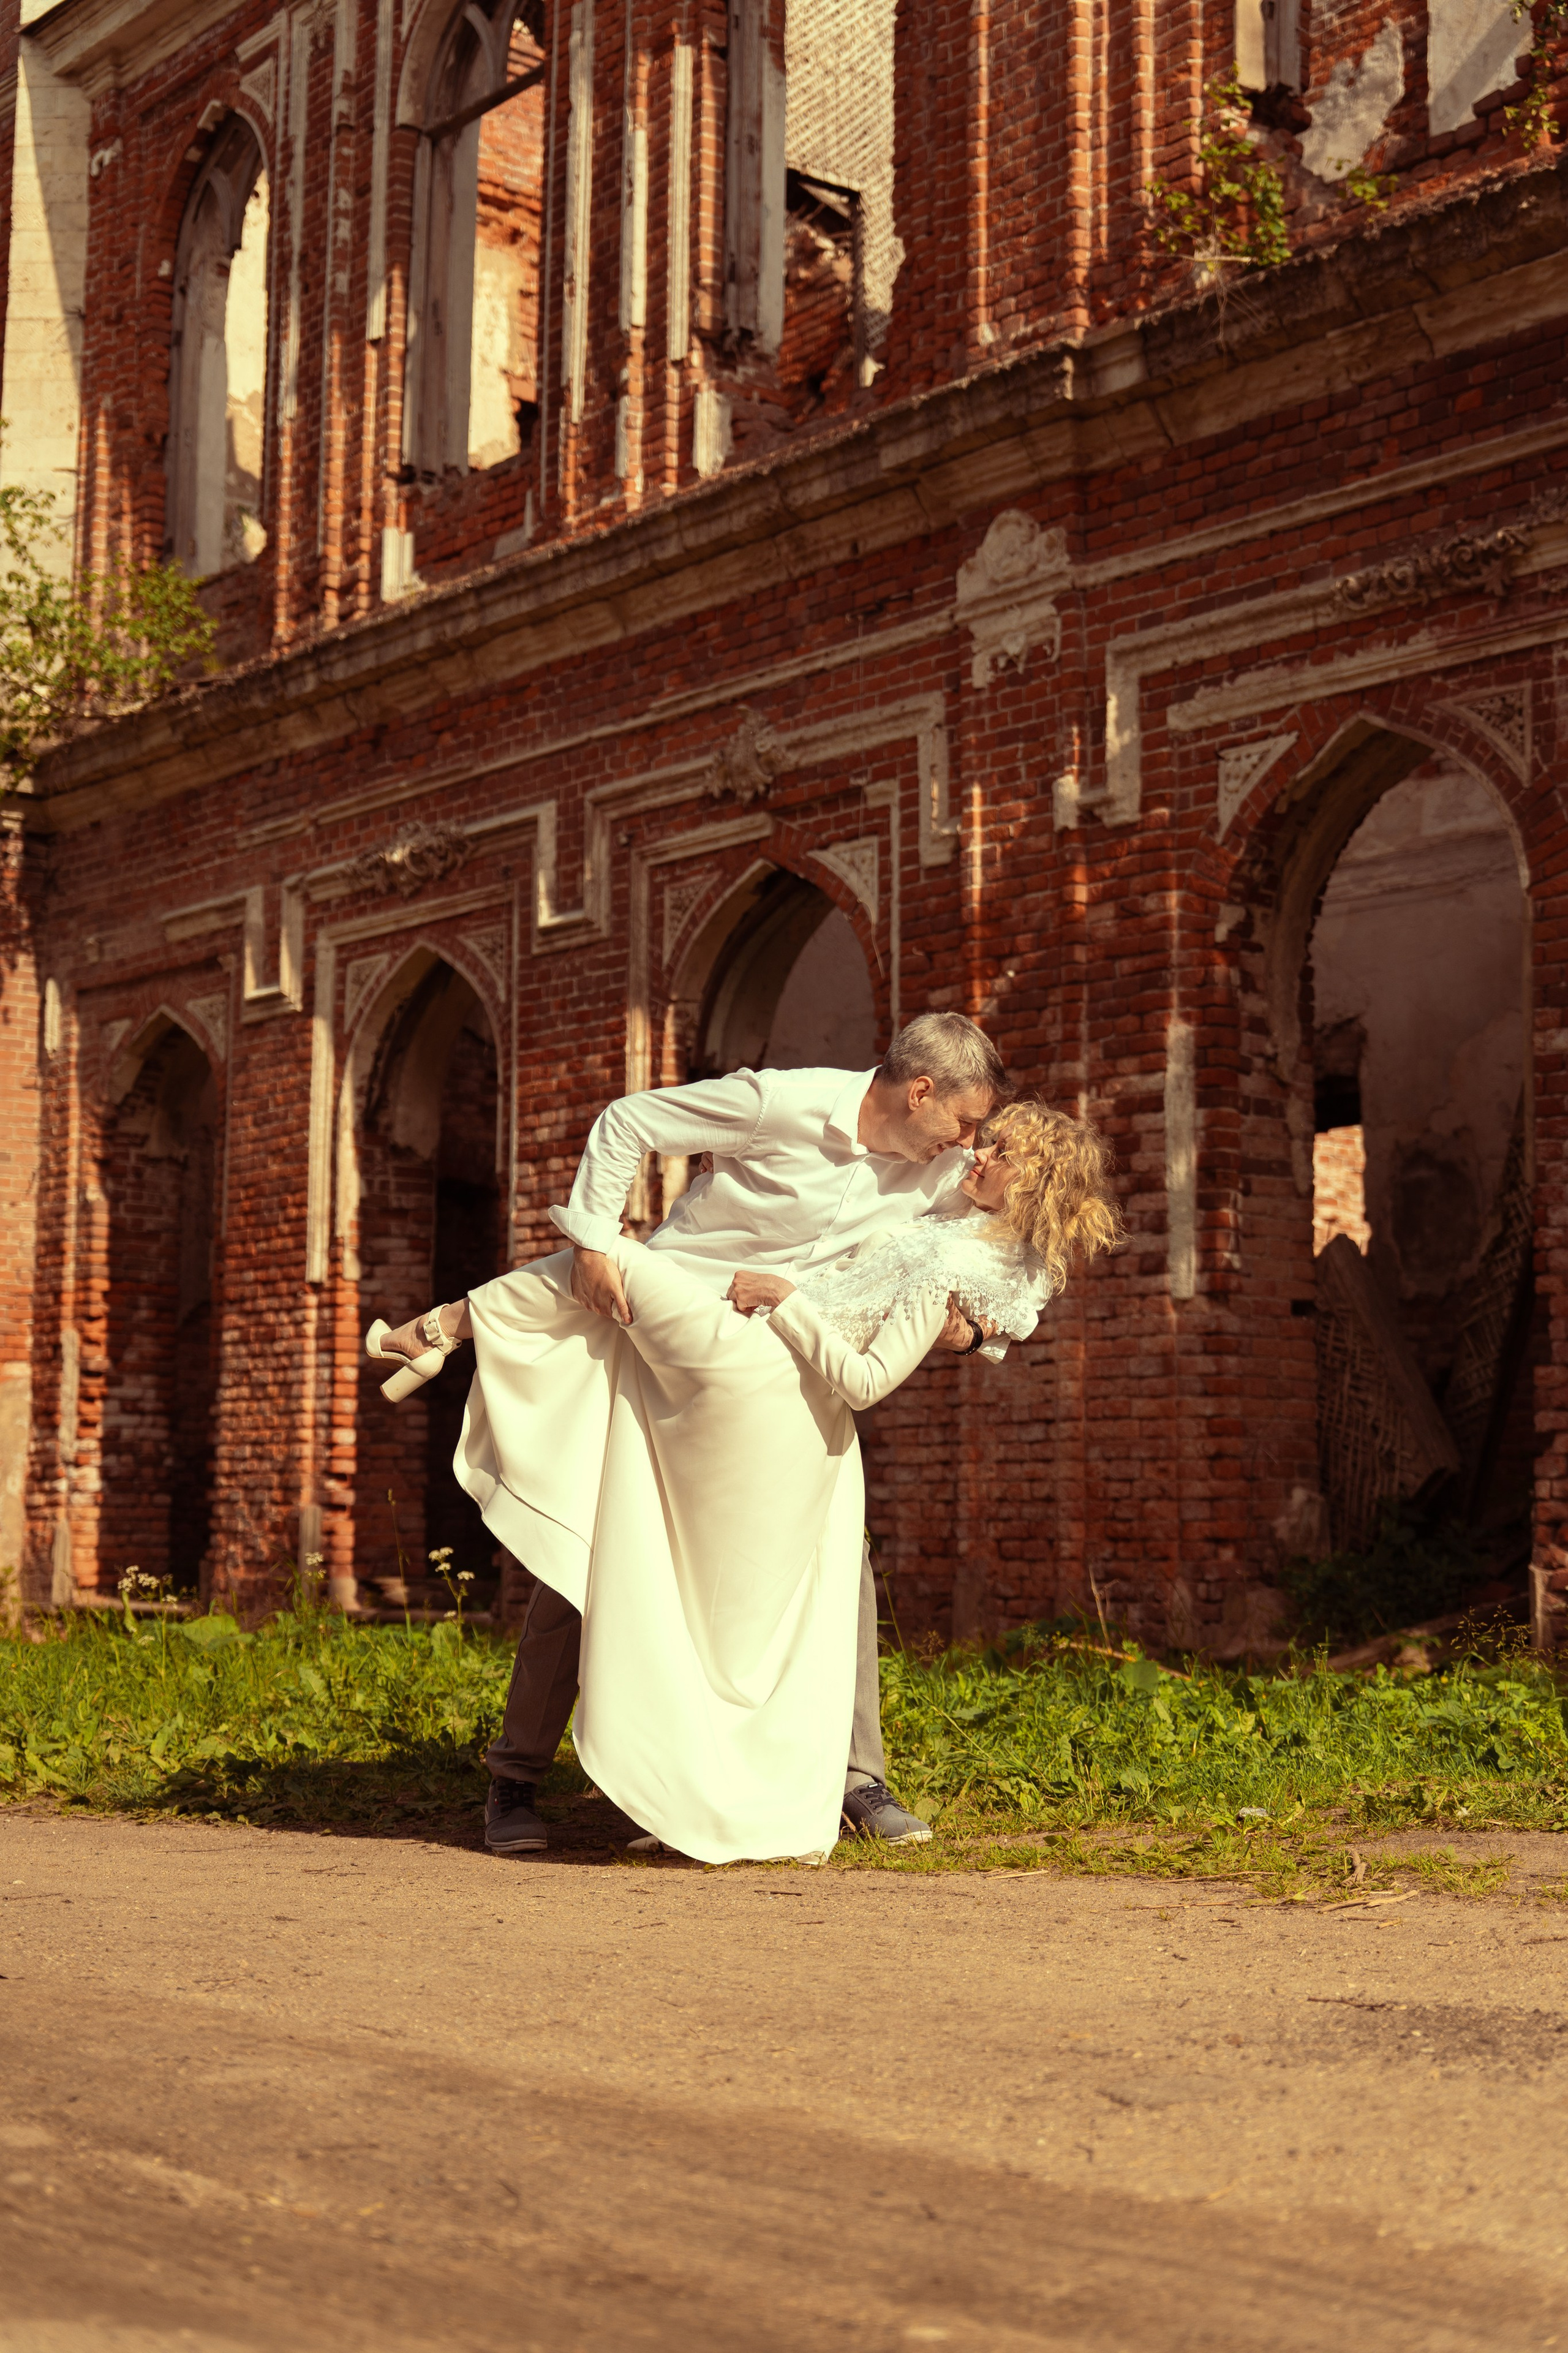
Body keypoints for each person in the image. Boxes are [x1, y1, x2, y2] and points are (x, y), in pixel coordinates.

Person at [368, 1091, 1119, 1865]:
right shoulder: (783, 1107)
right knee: (601, 1533)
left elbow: (966, 1319)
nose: (972, 1150)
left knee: (806, 1591)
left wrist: (948, 1331)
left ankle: (847, 1780)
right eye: (970, 1133)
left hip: (775, 1374)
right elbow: (627, 1120)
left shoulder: (945, 1187)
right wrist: (597, 1242)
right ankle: (522, 1777)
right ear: (916, 1094)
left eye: (992, 1145)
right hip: (715, 1328)